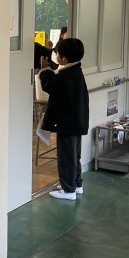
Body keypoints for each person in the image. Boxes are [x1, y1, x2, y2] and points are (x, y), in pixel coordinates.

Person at [38, 38, 89, 200]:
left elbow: (50, 85)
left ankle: (68, 190)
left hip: (68, 124)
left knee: (67, 157)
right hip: (77, 122)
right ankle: (76, 184)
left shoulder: (66, 75)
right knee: (74, 155)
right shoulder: (76, 71)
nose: (57, 57)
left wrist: (44, 70)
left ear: (64, 58)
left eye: (58, 54)